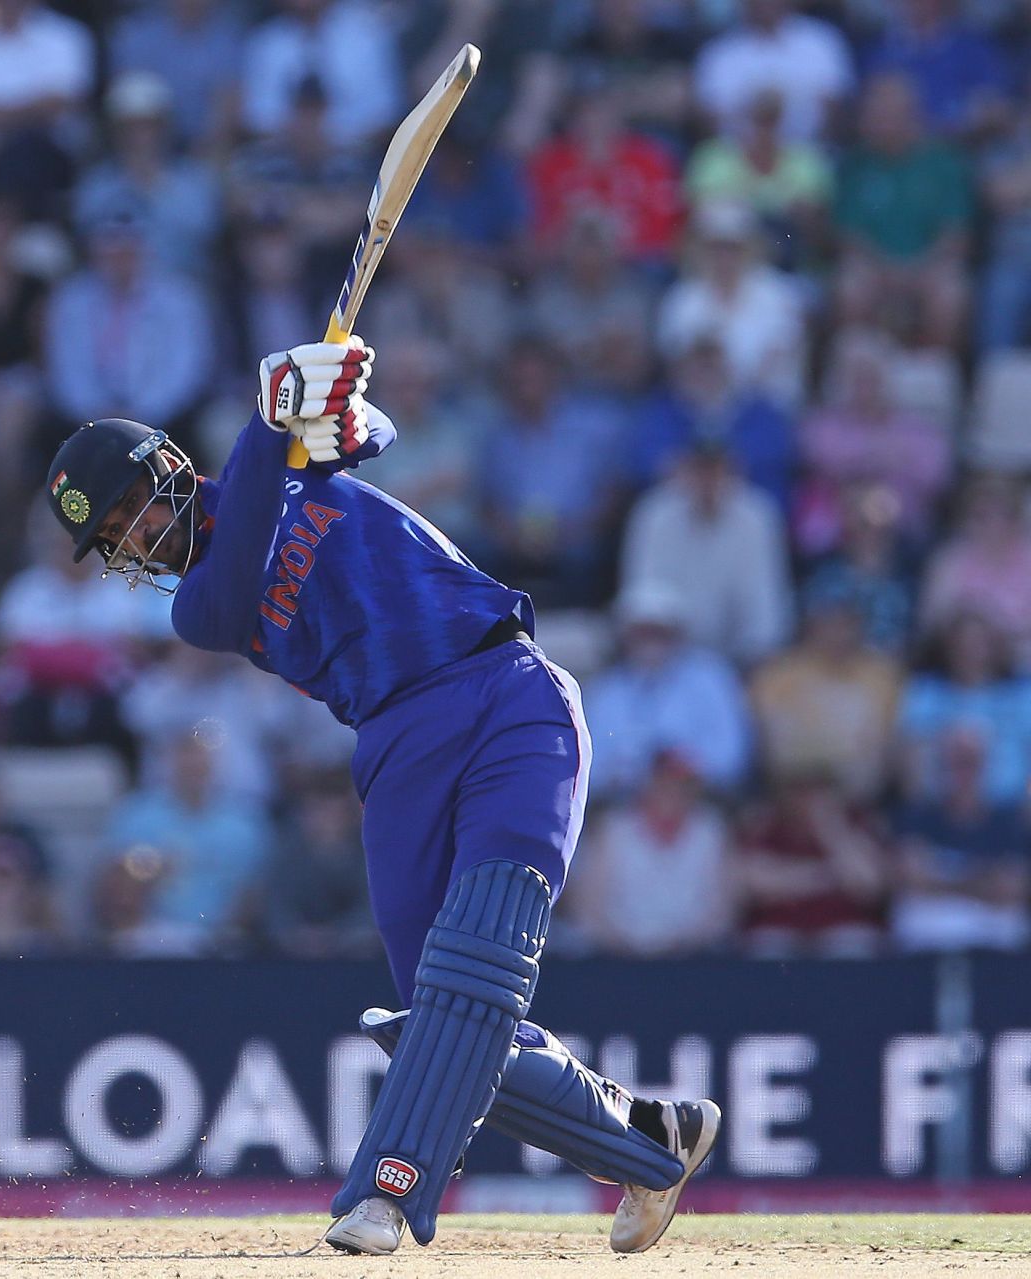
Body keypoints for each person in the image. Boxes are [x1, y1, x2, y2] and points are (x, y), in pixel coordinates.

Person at [43, 340, 719, 1257]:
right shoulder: (198, 606)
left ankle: (386, 1192)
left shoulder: (283, 459)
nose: (132, 536)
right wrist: (273, 418)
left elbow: (374, 430)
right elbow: (242, 544)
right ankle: (649, 1141)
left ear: (166, 467)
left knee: (475, 968)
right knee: (432, 1023)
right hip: (398, 748)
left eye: (126, 508)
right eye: (113, 537)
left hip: (507, 697)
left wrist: (334, 412)